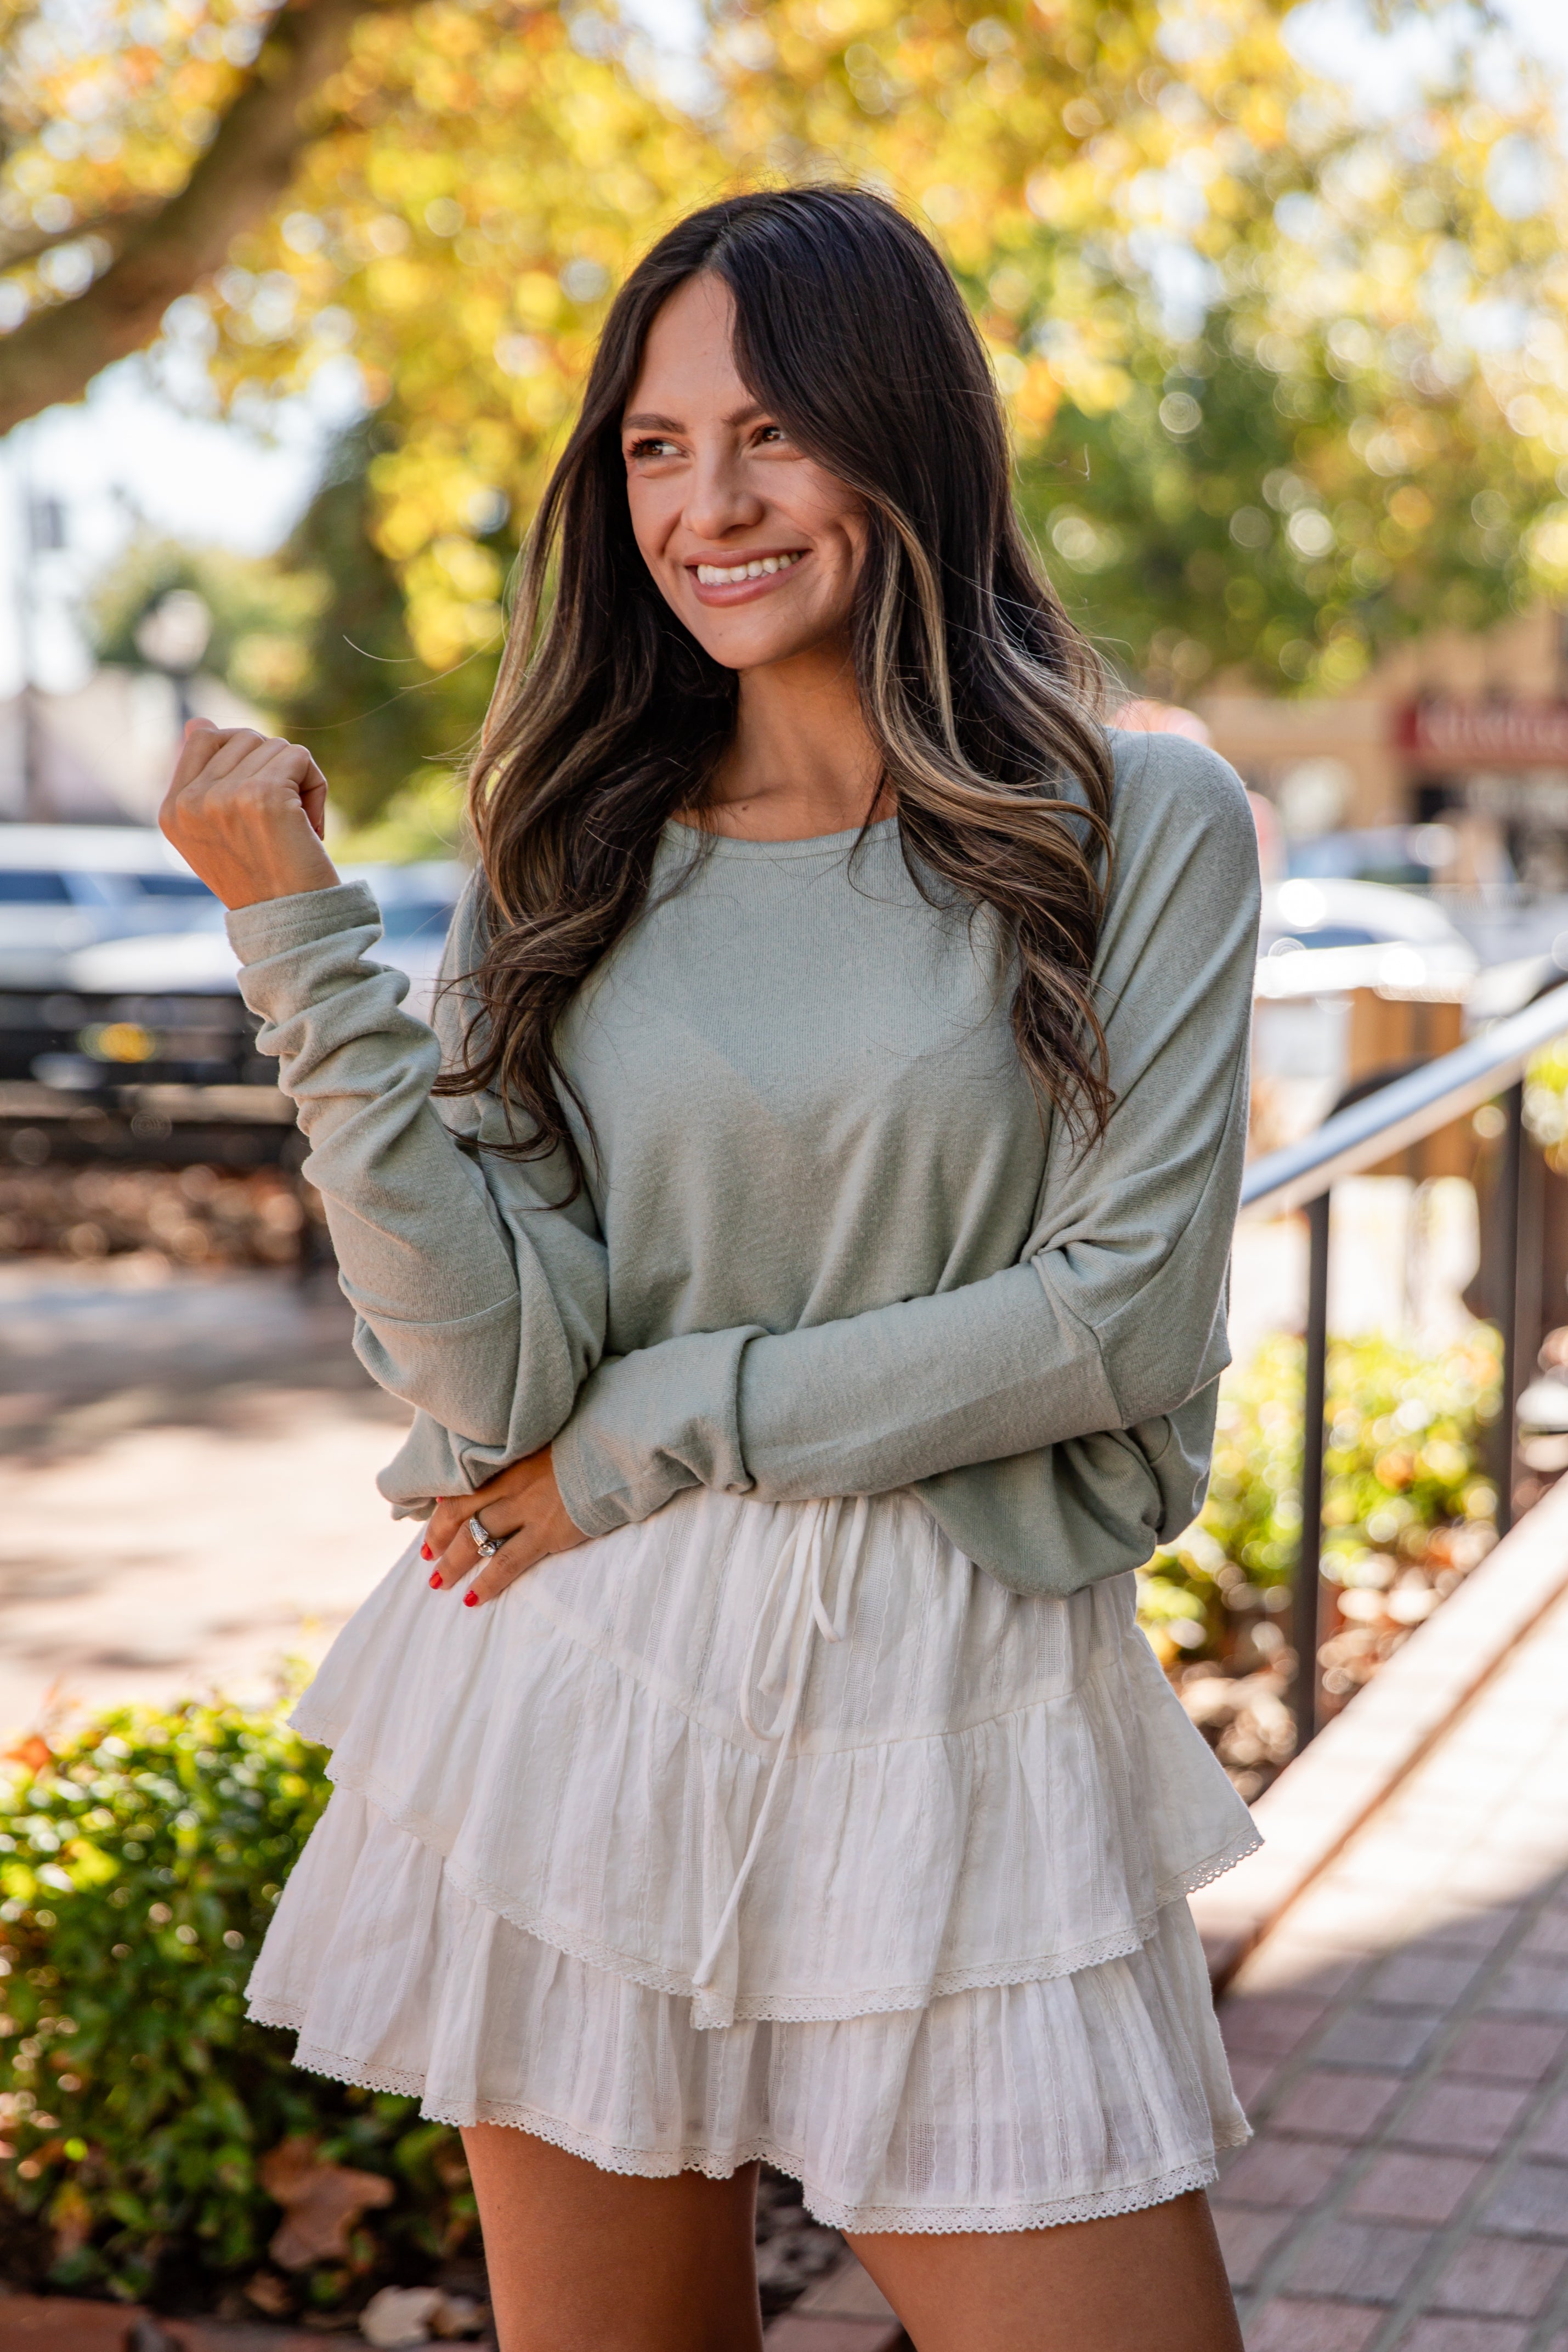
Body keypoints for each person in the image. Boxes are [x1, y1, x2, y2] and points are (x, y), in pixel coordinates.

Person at [161, 185, 1260, 2352]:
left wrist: (671, 1417)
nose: (708, 504)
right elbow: (489, 1383)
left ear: (906, 436)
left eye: (766, 433)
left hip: (951, 1704)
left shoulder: (1141, 818)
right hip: (589, 1683)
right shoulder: (570, 842)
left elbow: (1117, 1316)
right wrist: (297, 941)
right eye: (654, 450)